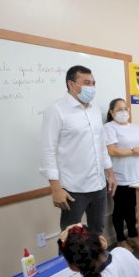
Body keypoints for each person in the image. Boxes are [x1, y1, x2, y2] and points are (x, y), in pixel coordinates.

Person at [40, 65, 117, 233]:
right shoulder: (56, 111)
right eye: (86, 83)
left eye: (93, 83)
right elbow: (48, 151)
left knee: (97, 232)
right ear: (71, 84)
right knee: (70, 238)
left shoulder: (95, 110)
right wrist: (55, 188)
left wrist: (110, 174)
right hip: (73, 188)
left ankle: (97, 261)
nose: (91, 87)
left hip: (98, 185)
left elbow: (101, 145)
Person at [103, 98, 139, 251]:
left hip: (135, 175)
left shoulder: (135, 127)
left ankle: (132, 234)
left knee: (132, 207)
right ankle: (120, 240)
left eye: (125, 108)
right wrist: (133, 151)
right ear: (112, 112)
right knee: (119, 209)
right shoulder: (109, 127)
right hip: (119, 176)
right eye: (119, 109)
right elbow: (112, 150)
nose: (123, 112)